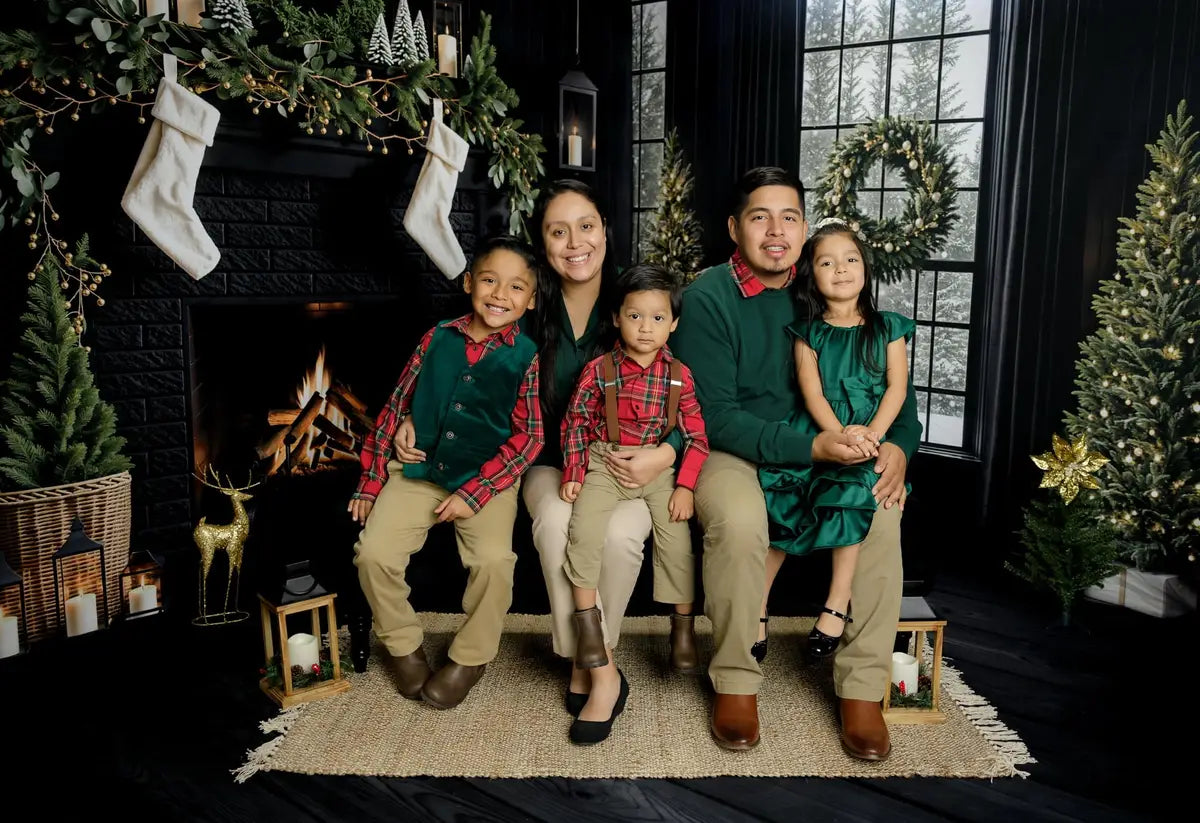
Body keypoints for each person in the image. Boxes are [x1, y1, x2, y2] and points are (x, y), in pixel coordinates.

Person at [671, 167, 920, 761]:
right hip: (734, 451)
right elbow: (714, 415)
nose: (776, 231)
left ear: (806, 229)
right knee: (739, 522)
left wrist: (898, 448)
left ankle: (862, 688)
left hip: (831, 447)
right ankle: (734, 678)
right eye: (760, 217)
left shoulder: (824, 286)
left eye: (790, 217)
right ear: (735, 229)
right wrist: (811, 448)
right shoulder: (708, 298)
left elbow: (889, 388)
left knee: (881, 516)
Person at [347, 235, 543, 711]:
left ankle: (471, 657)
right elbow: (396, 407)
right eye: (490, 280)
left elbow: (530, 436)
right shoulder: (437, 337)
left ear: (530, 301)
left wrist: (475, 493)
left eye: (516, 287)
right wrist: (371, 483)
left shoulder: (526, 355)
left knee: (495, 563)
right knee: (372, 553)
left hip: (486, 479)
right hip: (420, 468)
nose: (500, 295)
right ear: (468, 282)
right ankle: (403, 645)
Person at [523, 180, 682, 736]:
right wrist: (421, 412)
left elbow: (685, 397)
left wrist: (664, 453)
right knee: (555, 525)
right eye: (557, 230)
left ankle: (585, 659)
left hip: (631, 465)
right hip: (550, 461)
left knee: (619, 537)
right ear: (541, 242)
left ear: (606, 232)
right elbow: (476, 354)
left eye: (586, 226)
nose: (575, 242)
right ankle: (600, 667)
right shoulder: (528, 302)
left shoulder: (638, 301)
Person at [558, 263, 709, 744]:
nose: (646, 328)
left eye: (658, 318)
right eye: (635, 316)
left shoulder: (680, 377)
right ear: (618, 319)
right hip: (605, 463)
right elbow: (576, 424)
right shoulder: (598, 371)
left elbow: (697, 437)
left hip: (660, 470)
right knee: (582, 532)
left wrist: (684, 486)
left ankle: (681, 627)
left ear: (674, 323)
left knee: (677, 537)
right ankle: (588, 631)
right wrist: (576, 471)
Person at [756, 219, 914, 664]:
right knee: (782, 503)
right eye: (827, 262)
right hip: (820, 433)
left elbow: (897, 390)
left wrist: (874, 437)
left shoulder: (889, 328)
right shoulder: (808, 333)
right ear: (812, 274)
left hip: (871, 436)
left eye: (850, 259)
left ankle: (836, 602)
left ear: (865, 267)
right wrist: (840, 433)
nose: (841, 269)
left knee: (855, 492)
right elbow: (813, 394)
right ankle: (757, 603)